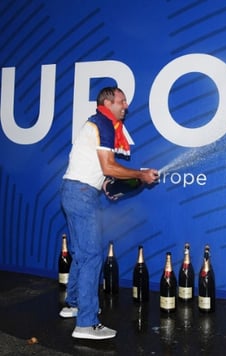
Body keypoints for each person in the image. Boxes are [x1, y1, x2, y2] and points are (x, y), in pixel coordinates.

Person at [60, 87, 159, 340]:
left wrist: (105, 184)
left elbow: (98, 167)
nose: (126, 105)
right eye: (121, 101)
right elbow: (109, 165)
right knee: (92, 256)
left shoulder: (99, 123)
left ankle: (74, 303)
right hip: (81, 195)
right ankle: (86, 324)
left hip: (75, 191)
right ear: (107, 102)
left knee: (82, 255)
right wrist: (140, 174)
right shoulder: (104, 123)